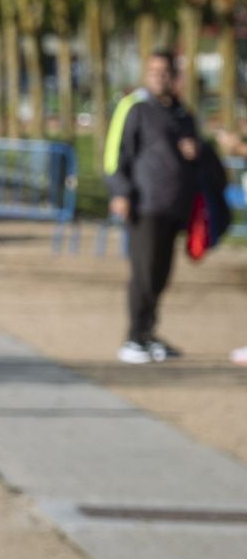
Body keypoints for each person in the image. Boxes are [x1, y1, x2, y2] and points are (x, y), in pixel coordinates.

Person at [109, 51, 207, 365]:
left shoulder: (182, 114)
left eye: (164, 71)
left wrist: (197, 150)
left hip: (175, 204)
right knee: (144, 272)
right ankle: (134, 337)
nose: (158, 76)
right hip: (144, 203)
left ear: (174, 75)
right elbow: (116, 154)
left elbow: (199, 154)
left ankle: (148, 333)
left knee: (162, 274)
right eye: (152, 70)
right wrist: (121, 191)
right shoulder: (135, 108)